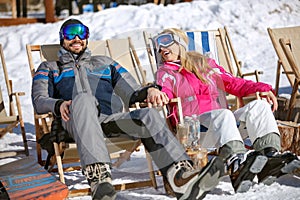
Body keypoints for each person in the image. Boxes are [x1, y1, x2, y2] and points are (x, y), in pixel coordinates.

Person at [31, 18, 227, 200]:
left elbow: (133, 92)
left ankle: (180, 175)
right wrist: (58, 104)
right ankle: (99, 180)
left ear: (87, 37)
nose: (76, 38)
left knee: (148, 114)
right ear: (62, 37)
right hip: (73, 121)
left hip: (108, 121)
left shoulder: (106, 63)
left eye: (81, 33)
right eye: (70, 32)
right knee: (83, 99)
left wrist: (150, 90)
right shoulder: (49, 68)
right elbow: (39, 100)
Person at [154, 28, 300, 193]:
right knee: (224, 114)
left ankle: (270, 159)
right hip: (194, 129)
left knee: (260, 107)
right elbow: (162, 89)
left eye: (165, 41)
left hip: (224, 126)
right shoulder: (165, 72)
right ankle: (237, 166)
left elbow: (234, 83)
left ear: (179, 42)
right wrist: (157, 93)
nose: (160, 48)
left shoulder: (204, 63)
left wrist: (263, 88)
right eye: (157, 45)